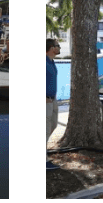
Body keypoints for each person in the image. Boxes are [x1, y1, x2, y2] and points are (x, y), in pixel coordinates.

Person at [47, 38, 62, 170]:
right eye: (58, 46)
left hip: (53, 99)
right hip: (45, 101)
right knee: (44, 130)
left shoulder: (51, 62)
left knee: (53, 124)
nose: (59, 48)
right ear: (52, 48)